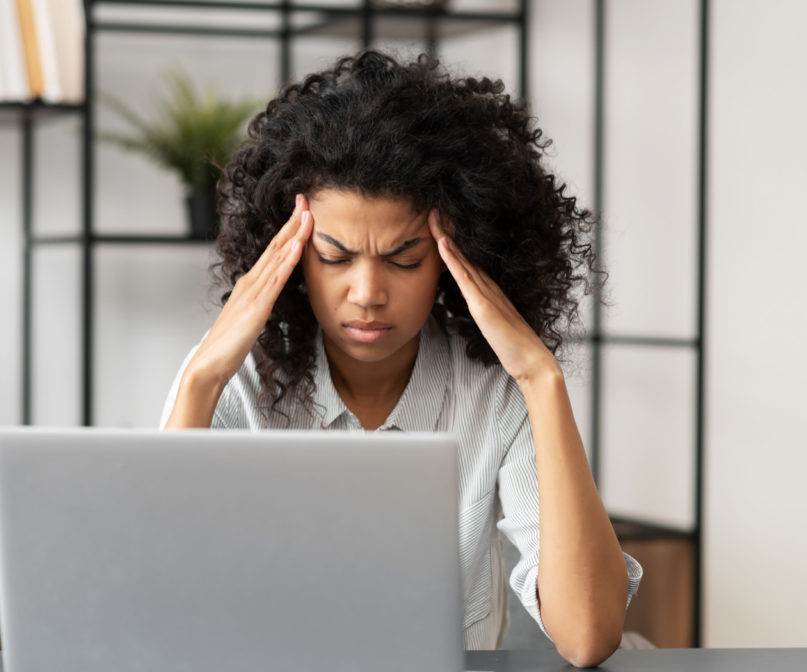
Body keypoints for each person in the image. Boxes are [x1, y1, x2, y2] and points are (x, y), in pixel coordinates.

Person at [161, 49, 642, 667]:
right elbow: (161, 613)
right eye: (335, 258)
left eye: (403, 258)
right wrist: (201, 379)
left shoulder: (494, 394)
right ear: (292, 254)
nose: (366, 293)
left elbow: (588, 635)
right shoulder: (233, 384)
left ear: (455, 256)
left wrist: (540, 378)